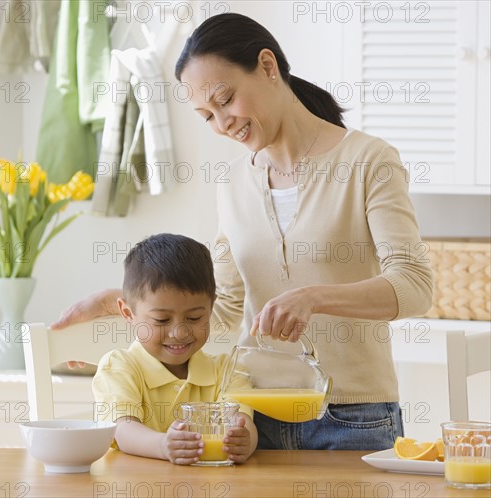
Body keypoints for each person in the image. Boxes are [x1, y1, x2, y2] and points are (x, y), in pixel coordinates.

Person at [54, 13, 433, 451]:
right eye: (206, 115)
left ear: (268, 66)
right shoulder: (233, 182)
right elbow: (225, 308)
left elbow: (414, 285)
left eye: (226, 98)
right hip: (252, 420)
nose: (222, 124)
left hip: (352, 418)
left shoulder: (370, 161)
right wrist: (129, 306)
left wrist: (313, 297)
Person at [91, 233, 258, 465]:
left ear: (210, 309)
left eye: (194, 317)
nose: (179, 332)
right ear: (128, 313)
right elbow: (121, 428)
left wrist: (245, 441)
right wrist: (163, 445)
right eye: (161, 320)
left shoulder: (228, 370)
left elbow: (243, 421)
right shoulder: (119, 366)